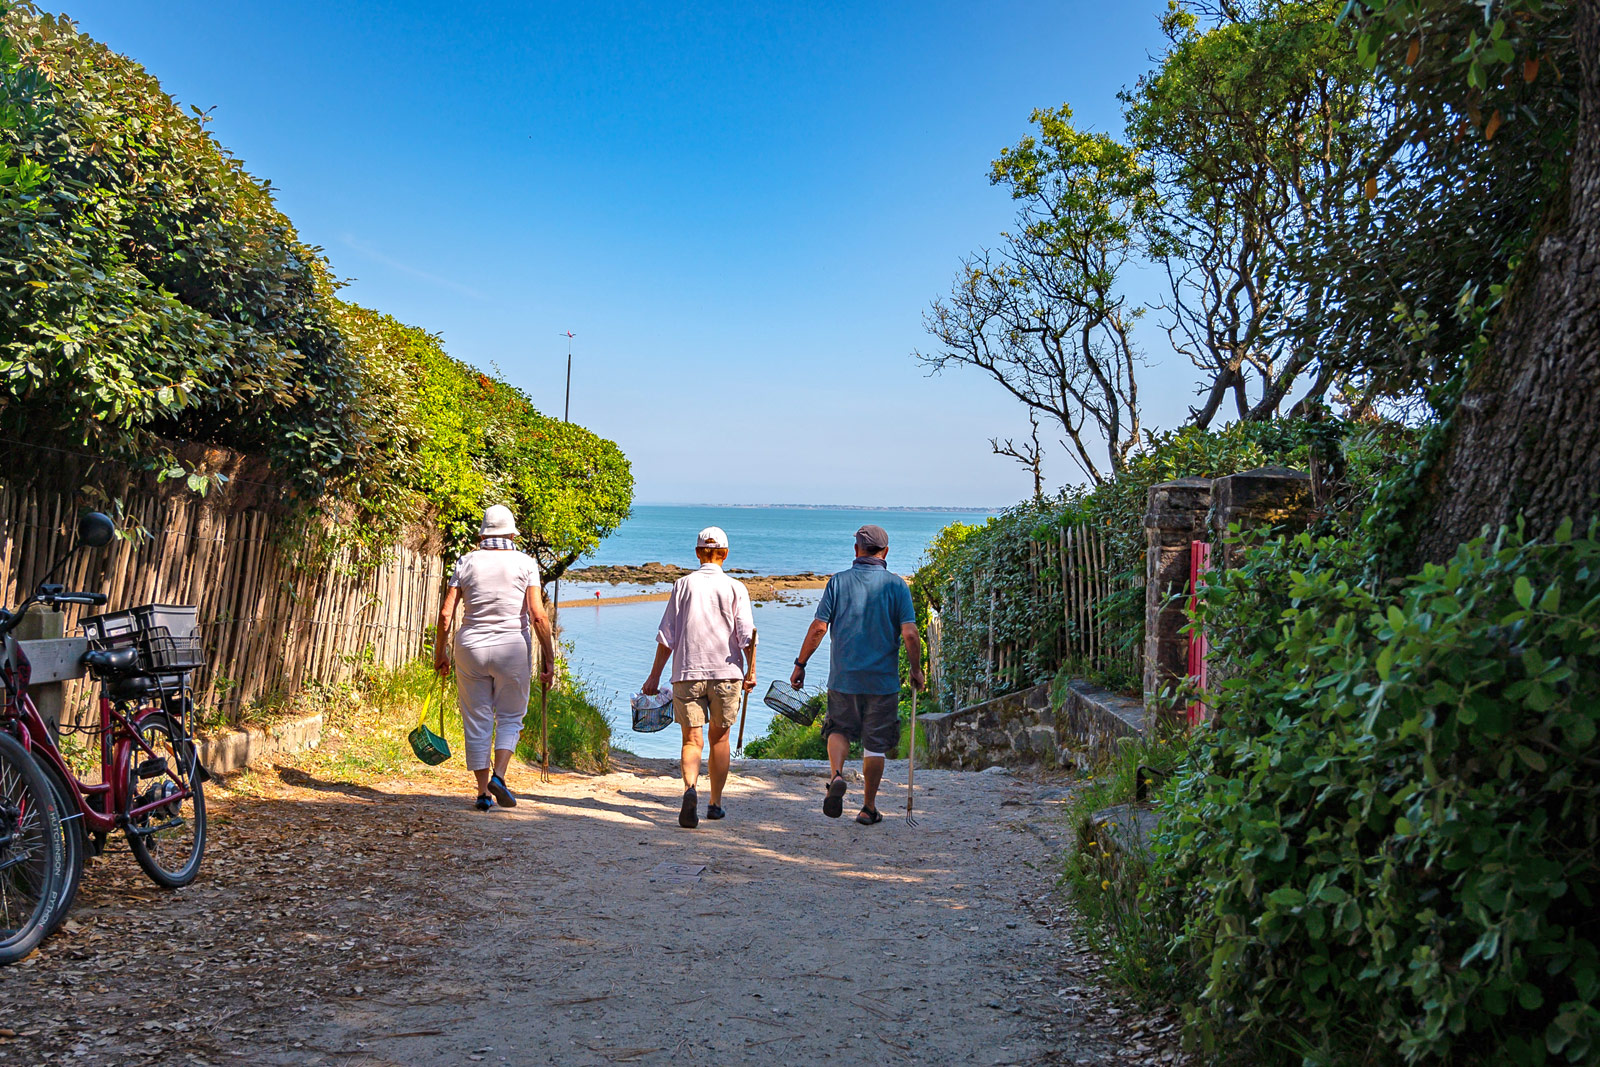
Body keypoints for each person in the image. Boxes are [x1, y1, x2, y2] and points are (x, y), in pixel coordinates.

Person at [790, 524, 924, 825]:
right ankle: (868, 807)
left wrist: (800, 664)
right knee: (874, 744)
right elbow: (911, 634)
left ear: (856, 550)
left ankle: (836, 775)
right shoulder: (897, 586)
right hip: (882, 681)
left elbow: (819, 628)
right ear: (886, 552)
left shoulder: (837, 583)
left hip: (844, 678)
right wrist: (915, 670)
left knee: (838, 730)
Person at [433, 505, 556, 811]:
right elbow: (538, 616)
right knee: (511, 716)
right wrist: (549, 659)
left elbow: (446, 614)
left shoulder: (467, 562)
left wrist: (440, 652)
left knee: (477, 719)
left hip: (470, 647)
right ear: (513, 533)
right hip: (512, 648)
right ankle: (499, 777)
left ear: (483, 533)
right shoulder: (525, 564)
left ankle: (481, 793)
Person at [642, 526, 757, 829]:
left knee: (691, 739)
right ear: (725, 554)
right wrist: (751, 671)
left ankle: (690, 788)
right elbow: (747, 636)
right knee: (719, 737)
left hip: (687, 673)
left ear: (697, 553)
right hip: (726, 673)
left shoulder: (682, 585)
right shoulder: (736, 588)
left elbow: (667, 636)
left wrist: (654, 677)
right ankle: (715, 803)